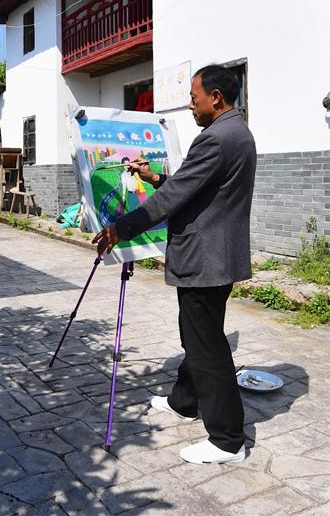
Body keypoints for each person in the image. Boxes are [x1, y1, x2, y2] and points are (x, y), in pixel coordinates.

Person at [92, 64, 256, 464]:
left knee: (208, 346)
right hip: (218, 256)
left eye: (194, 97)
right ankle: (185, 401)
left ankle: (228, 439)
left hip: (205, 258)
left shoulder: (215, 139)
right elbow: (199, 189)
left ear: (215, 97)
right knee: (198, 334)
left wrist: (122, 227)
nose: (190, 105)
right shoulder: (239, 132)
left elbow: (176, 198)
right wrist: (156, 176)